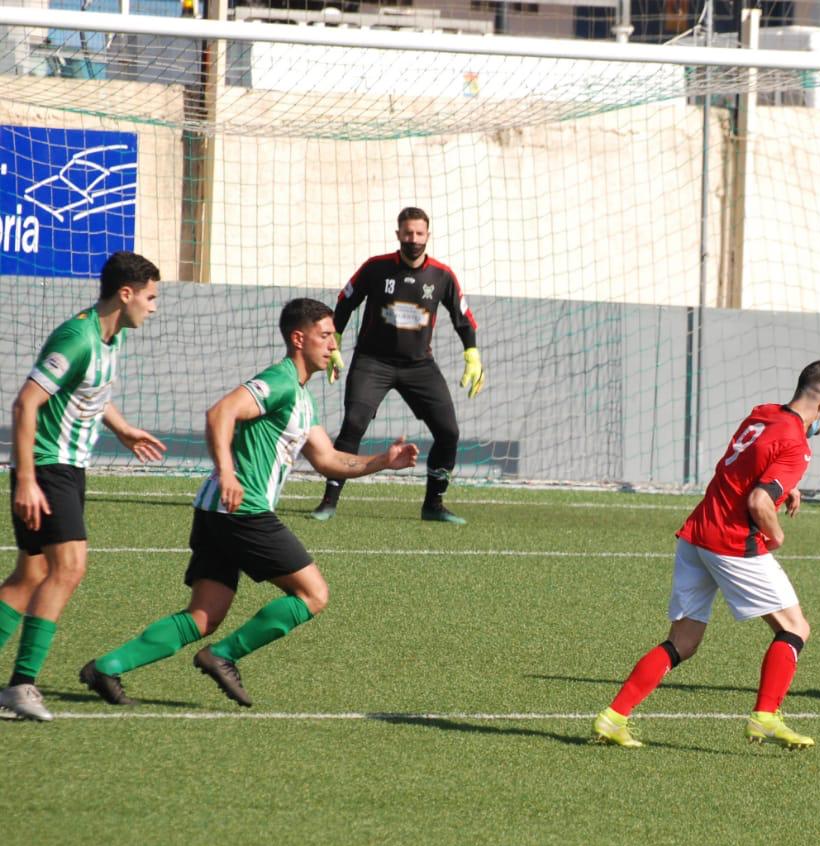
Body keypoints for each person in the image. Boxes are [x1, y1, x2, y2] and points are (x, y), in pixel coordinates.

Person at [78, 299, 419, 709]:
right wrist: (227, 472)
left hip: (217, 511)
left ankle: (107, 667)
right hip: (243, 510)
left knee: (204, 615)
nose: (333, 345)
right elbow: (220, 413)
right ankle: (223, 656)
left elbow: (328, 459)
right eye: (325, 336)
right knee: (313, 594)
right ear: (299, 339)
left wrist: (382, 461)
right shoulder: (279, 381)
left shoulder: (301, 396)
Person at [592, 360, 820, 749]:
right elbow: (759, 501)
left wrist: (787, 487)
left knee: (683, 641)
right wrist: (776, 534)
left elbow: (747, 463)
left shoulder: (763, 413)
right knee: (795, 628)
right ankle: (765, 717)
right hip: (732, 543)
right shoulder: (797, 446)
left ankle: (614, 717)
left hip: (696, 534)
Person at [0, 252, 166, 723]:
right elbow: (25, 404)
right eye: (151, 297)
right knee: (69, 568)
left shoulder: (111, 337)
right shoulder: (77, 338)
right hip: (47, 467)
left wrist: (123, 429)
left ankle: (17, 686)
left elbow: (90, 391)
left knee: (30, 575)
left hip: (67, 469)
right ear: (126, 294)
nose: (154, 307)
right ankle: (21, 685)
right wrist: (26, 479)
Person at [311, 206, 482, 525]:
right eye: (407, 233)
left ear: (428, 236)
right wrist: (334, 342)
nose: (413, 239)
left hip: (419, 365)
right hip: (372, 362)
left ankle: (434, 505)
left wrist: (472, 355)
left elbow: (463, 317)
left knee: (449, 432)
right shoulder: (376, 268)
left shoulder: (441, 276)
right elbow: (345, 303)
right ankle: (328, 501)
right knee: (354, 424)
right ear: (398, 234)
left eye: (419, 233)